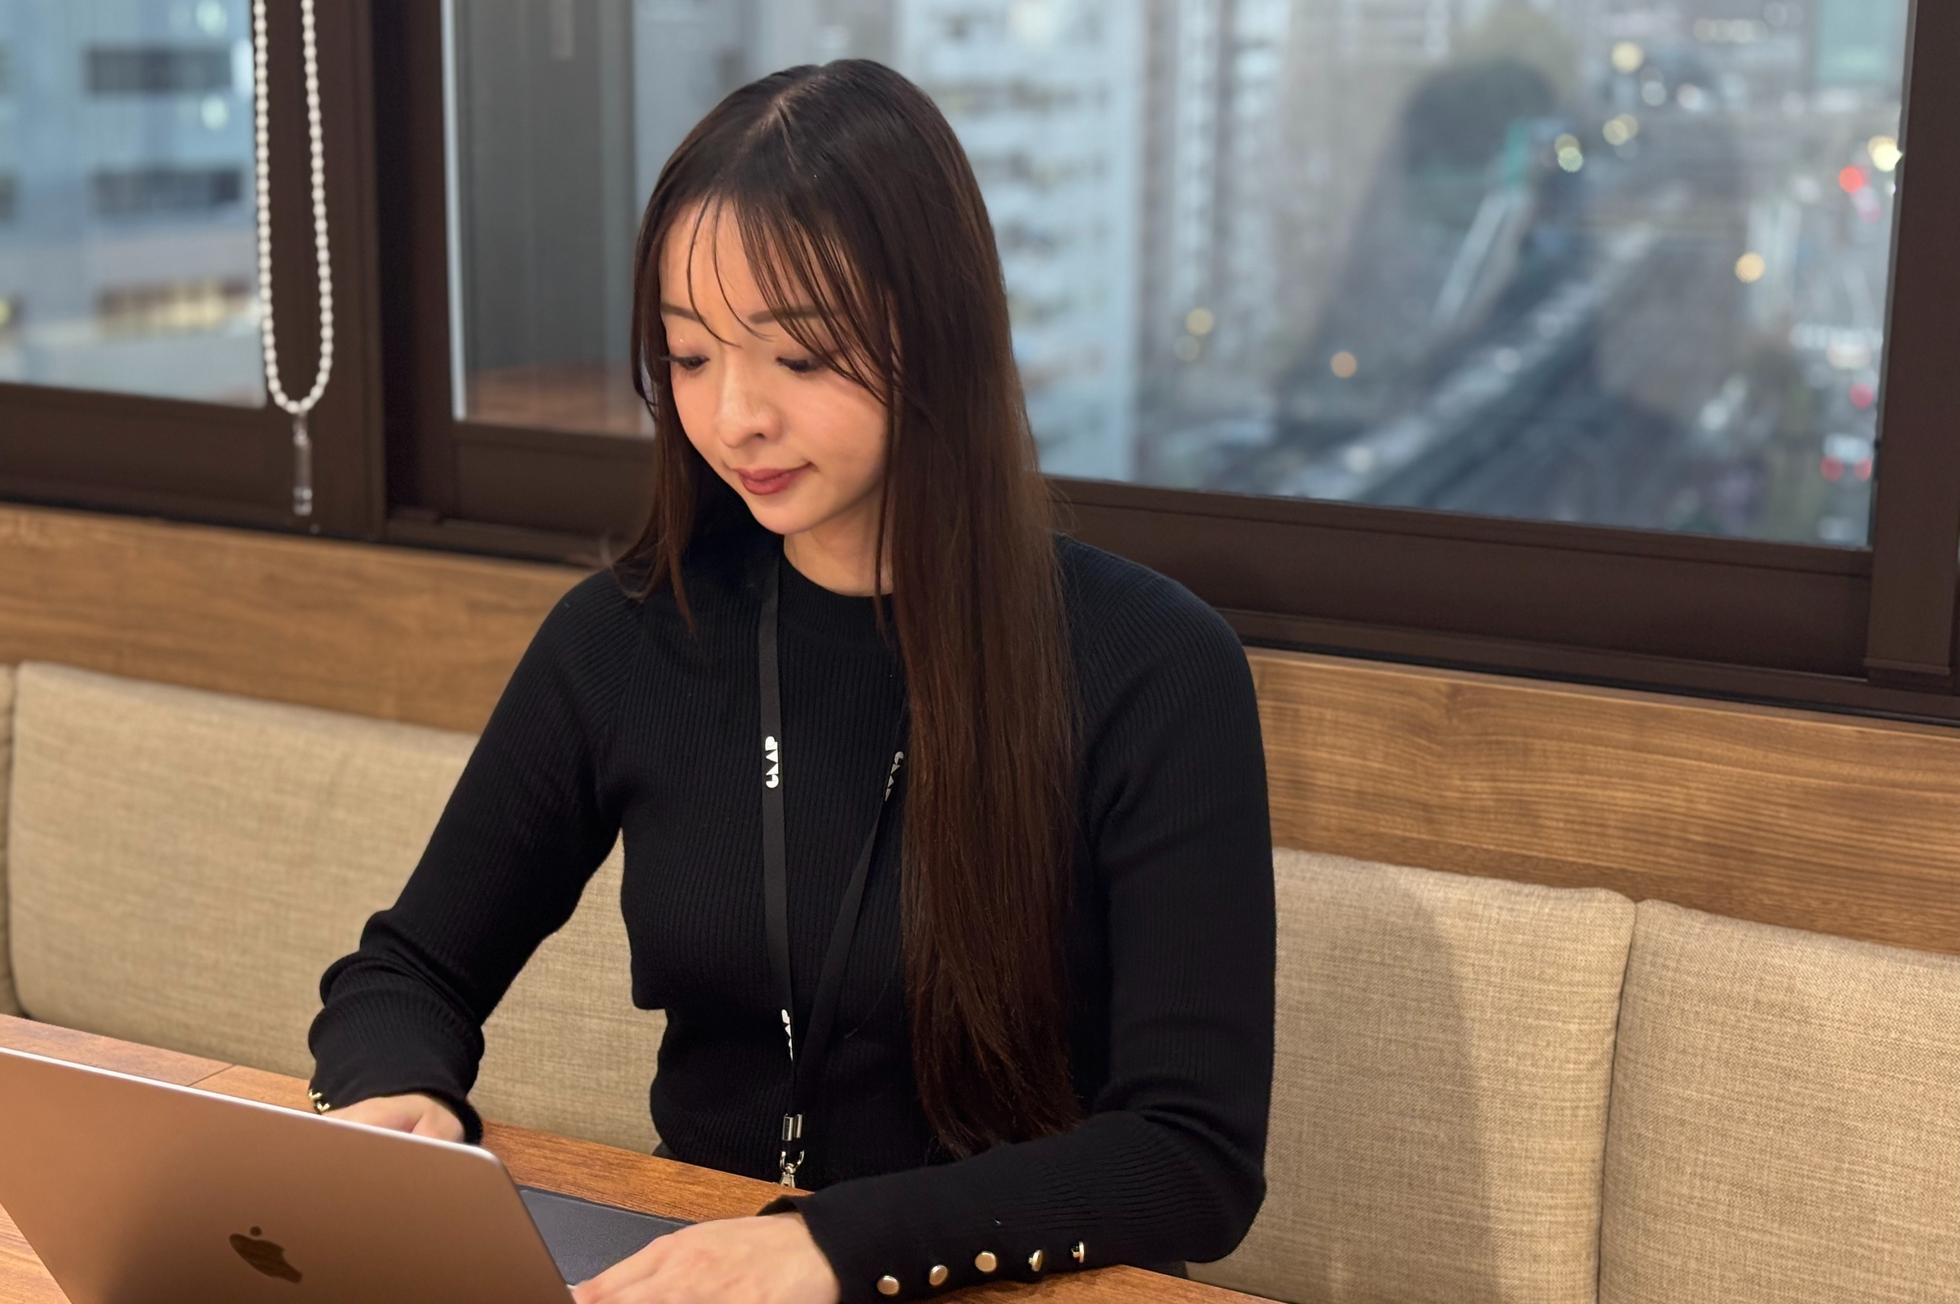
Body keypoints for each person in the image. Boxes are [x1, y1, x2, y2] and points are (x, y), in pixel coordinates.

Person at [308, 59, 1274, 1304]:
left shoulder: (1153, 664)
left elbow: (1192, 1158)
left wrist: (831, 1243)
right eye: (689, 354)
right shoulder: (626, 639)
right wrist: (398, 1091)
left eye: (801, 357)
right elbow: (408, 970)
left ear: (937, 335)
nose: (734, 416)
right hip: (706, 1269)